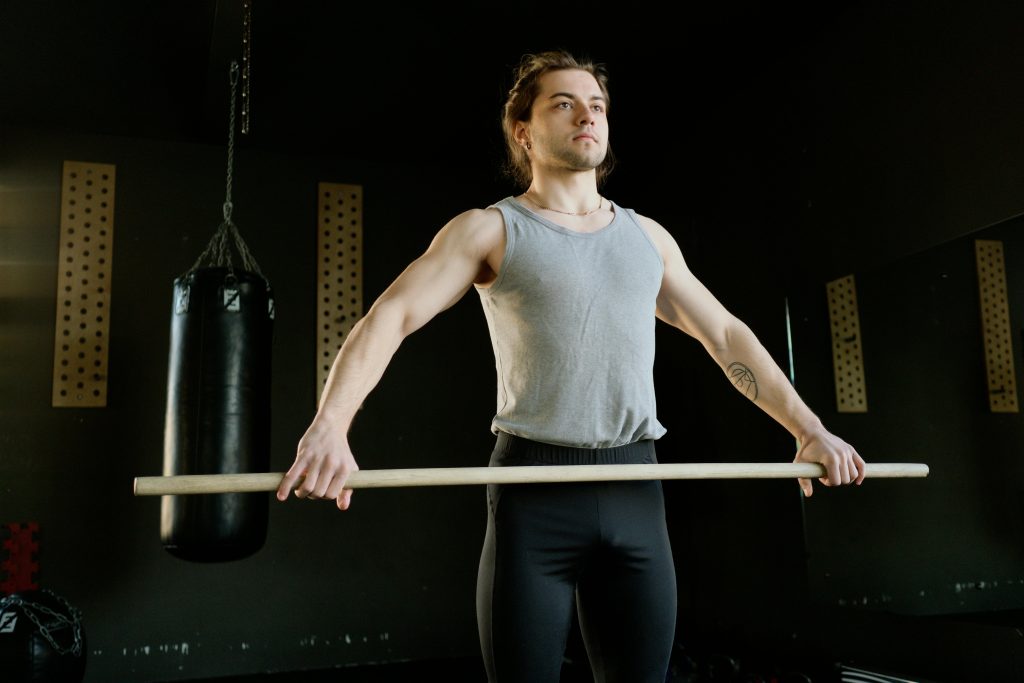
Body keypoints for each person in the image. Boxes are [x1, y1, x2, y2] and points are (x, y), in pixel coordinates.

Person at [276, 49, 866, 683]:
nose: (587, 115)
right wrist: (330, 425)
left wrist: (808, 428)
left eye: (597, 106)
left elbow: (725, 335)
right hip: (534, 493)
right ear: (523, 132)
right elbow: (390, 316)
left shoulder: (648, 238)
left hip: (636, 487)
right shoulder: (489, 230)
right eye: (564, 103)